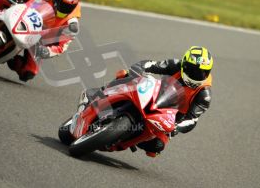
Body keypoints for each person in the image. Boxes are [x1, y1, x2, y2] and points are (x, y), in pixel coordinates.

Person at [77, 46, 213, 157]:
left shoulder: (204, 95)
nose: (198, 75)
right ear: (185, 65)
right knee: (125, 75)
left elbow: (192, 119)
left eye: (203, 73)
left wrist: (176, 128)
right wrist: (137, 70)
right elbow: (149, 65)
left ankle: (124, 140)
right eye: (194, 71)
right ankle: (99, 93)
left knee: (156, 147)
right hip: (156, 95)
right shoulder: (175, 65)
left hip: (170, 118)